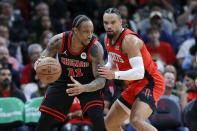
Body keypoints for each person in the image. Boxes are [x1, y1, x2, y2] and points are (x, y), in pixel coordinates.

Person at [34, 15, 106, 131]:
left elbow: (101, 80)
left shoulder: (95, 48)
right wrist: (40, 67)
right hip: (65, 79)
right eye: (86, 31)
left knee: (97, 117)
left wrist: (83, 88)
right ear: (75, 31)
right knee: (45, 118)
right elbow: (40, 61)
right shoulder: (58, 41)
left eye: (91, 31)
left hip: (89, 82)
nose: (90, 35)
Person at [98, 8, 165, 131]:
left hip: (151, 82)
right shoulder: (107, 39)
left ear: (120, 22)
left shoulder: (130, 40)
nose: (109, 26)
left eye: (112, 22)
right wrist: (102, 71)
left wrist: (113, 75)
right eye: (106, 23)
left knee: (136, 120)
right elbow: (113, 63)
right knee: (109, 124)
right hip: (134, 84)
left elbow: (139, 73)